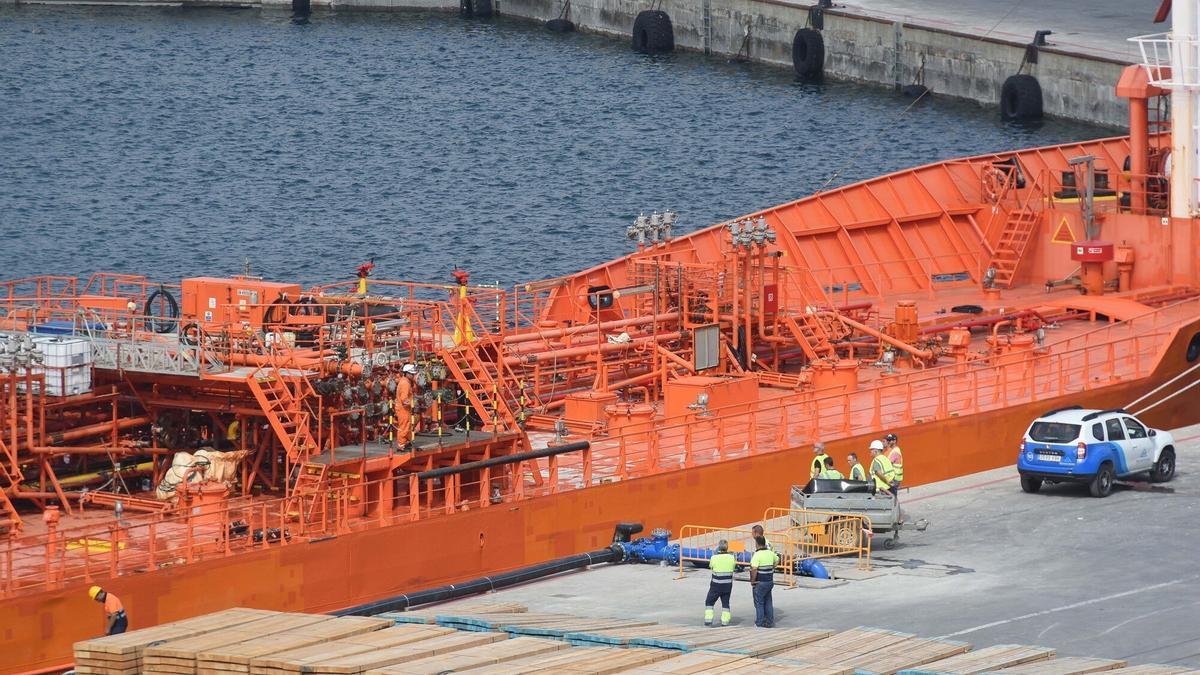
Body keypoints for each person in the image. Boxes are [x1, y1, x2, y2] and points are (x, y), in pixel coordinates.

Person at [704, 540, 736, 627]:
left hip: (716, 585)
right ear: (727, 548)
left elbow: (711, 566)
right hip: (727, 585)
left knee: (709, 602)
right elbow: (733, 567)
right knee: (725, 603)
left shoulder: (714, 558)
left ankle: (708, 620)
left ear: (719, 547)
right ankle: (725, 622)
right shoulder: (732, 558)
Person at [749, 535, 779, 628]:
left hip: (760, 583)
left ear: (757, 544)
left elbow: (754, 569)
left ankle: (759, 623)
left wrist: (753, 581)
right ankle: (770, 622)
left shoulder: (757, 555)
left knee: (759, 603)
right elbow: (777, 559)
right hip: (769, 581)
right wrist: (772, 568)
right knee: (768, 601)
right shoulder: (770, 553)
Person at [394, 364, 417, 450]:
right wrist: (413, 404)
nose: (413, 375)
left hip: (404, 409)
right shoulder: (405, 384)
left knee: (407, 426)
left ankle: (406, 442)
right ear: (406, 373)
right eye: (411, 374)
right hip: (403, 409)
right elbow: (404, 399)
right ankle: (401, 445)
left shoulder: (404, 382)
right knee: (404, 427)